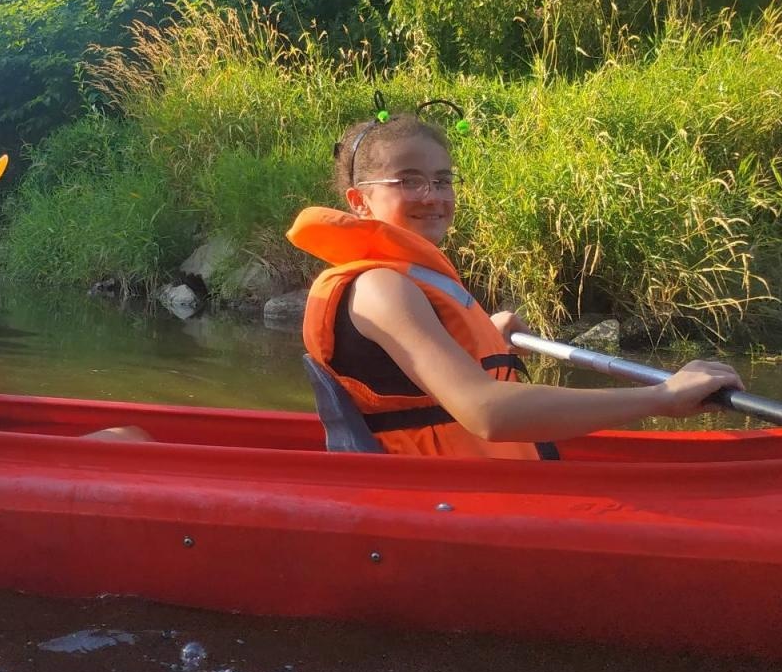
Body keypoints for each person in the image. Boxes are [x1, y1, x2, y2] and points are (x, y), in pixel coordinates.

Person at [287, 107, 743, 458]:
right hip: (444, 501)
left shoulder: (400, 278)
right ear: (359, 201)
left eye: (442, 181)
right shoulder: (381, 288)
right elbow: (487, 413)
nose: (433, 196)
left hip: (476, 487)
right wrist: (661, 397)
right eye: (409, 181)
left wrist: (484, 335)